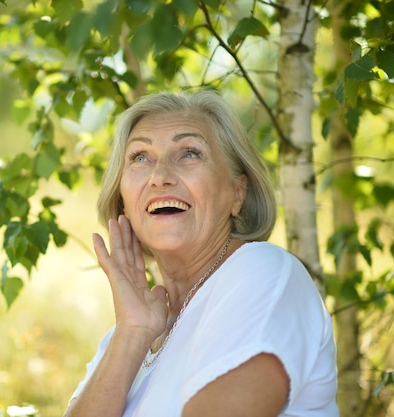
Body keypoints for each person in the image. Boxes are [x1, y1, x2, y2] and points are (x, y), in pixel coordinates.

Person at [63, 91, 338, 417]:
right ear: (122, 200)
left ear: (238, 192)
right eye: (140, 157)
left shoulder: (262, 272)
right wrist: (132, 332)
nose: (160, 176)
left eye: (189, 153)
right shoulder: (123, 337)